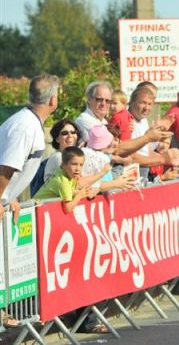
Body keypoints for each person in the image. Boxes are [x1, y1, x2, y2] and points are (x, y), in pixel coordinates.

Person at [0, 74, 59, 329]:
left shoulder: (29, 123)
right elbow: (5, 168)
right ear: (54, 100)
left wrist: (8, 198)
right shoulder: (26, 126)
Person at [33, 147, 100, 213]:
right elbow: (67, 208)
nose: (78, 168)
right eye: (74, 164)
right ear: (63, 164)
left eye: (81, 165)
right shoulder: (63, 182)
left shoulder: (61, 171)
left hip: (39, 210)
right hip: (35, 211)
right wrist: (79, 196)